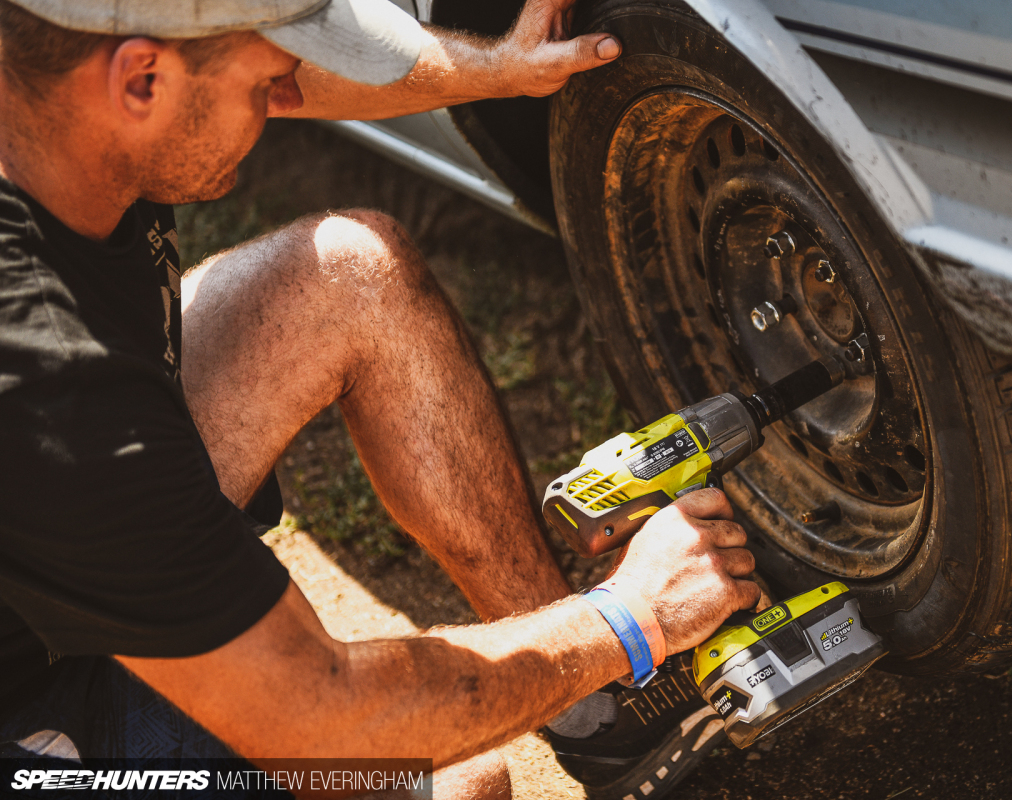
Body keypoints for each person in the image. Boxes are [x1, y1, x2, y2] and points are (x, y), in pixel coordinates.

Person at [0, 1, 761, 797]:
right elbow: (324, 717)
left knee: (352, 277)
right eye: (266, 82)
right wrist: (632, 616)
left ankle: (598, 713)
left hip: (55, 539)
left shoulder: (53, 69)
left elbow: (300, 74)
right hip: (29, 691)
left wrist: (498, 69)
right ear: (142, 78)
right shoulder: (52, 381)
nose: (287, 98)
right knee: (459, 778)